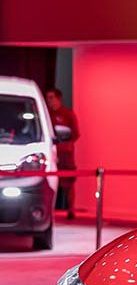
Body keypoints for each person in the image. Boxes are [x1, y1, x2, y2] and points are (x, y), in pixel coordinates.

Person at [45, 88, 79, 219]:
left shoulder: (68, 114)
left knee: (68, 183)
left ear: (58, 98)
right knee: (49, 182)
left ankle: (71, 210)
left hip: (65, 154)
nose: (49, 101)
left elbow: (75, 134)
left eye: (51, 97)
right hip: (51, 153)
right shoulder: (46, 114)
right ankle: (48, 210)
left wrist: (65, 144)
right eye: (48, 98)